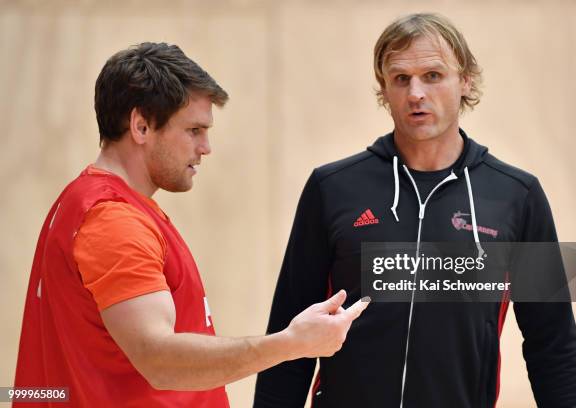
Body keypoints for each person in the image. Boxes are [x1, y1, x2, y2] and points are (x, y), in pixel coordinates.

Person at [254, 13, 576, 408]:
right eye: (401, 79)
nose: (416, 93)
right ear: (384, 88)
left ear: (464, 80)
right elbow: (287, 338)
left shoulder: (518, 195)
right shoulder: (332, 188)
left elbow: (553, 343)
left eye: (432, 75)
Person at [13, 42, 369, 407]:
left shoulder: (90, 201)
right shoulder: (113, 219)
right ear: (141, 126)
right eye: (194, 130)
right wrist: (291, 343)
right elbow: (159, 359)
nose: (206, 147)